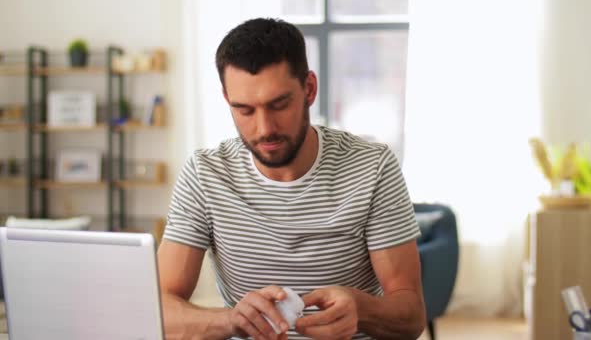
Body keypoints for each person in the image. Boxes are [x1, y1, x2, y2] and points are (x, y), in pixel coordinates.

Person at [157, 17, 425, 340]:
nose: (264, 128)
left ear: (309, 89)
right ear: (227, 101)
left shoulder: (372, 168)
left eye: (279, 104)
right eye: (245, 110)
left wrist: (361, 309)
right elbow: (158, 309)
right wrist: (231, 320)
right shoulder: (205, 174)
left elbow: (411, 315)